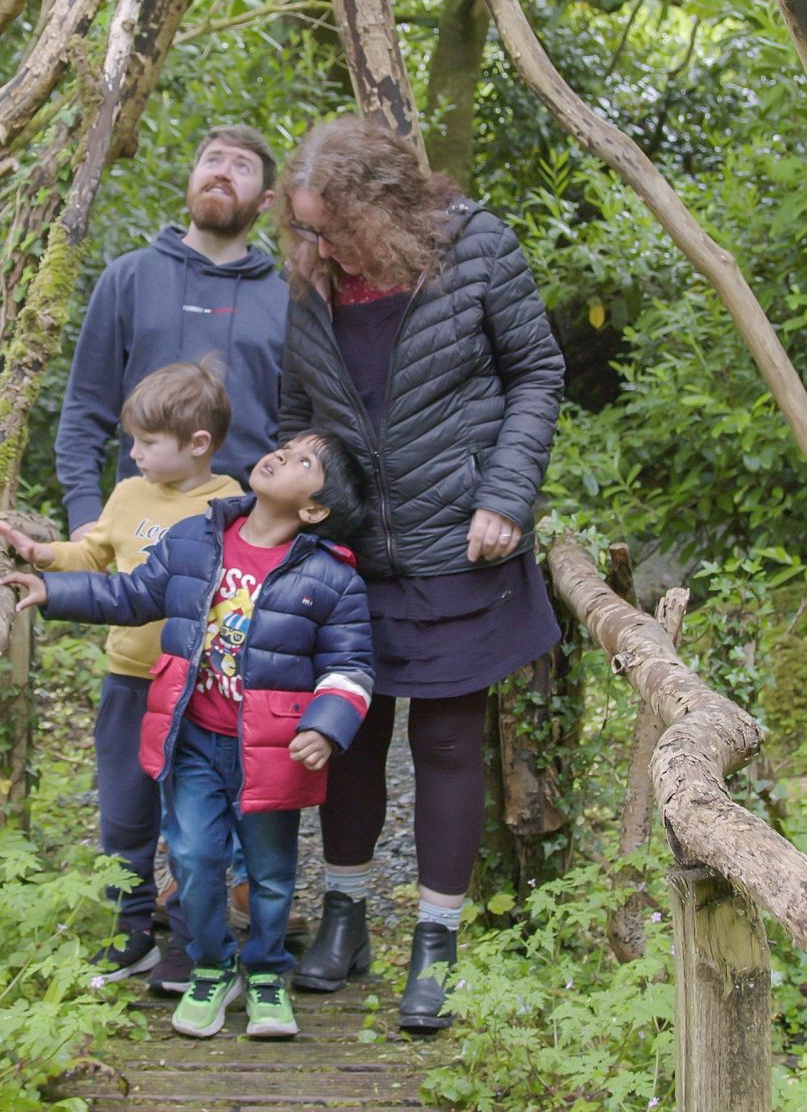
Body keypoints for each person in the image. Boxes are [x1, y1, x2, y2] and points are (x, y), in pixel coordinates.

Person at [273, 115, 565, 1034]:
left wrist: (507, 497)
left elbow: (537, 374)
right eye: (306, 228)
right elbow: (295, 408)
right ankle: (346, 917)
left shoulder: (476, 246)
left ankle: (436, 944)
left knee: (444, 743)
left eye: (331, 226)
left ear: (383, 204)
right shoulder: (313, 278)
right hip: (352, 554)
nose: (318, 245)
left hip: (459, 539)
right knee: (349, 738)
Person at [5, 433, 375, 1041]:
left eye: (304, 462)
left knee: (270, 872)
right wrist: (55, 589)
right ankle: (211, 964)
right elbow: (132, 594)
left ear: (314, 509)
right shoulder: (196, 540)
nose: (282, 456)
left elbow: (351, 666)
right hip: (195, 739)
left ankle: (265, 971)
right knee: (195, 859)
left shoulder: (331, 579)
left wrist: (327, 725)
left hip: (271, 751)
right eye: (285, 448)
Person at [0, 361, 240, 979]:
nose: (133, 454)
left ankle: (191, 940)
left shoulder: (231, 504)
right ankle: (131, 929)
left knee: (194, 821)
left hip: (198, 690)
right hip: (129, 679)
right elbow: (96, 553)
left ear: (197, 444)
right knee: (125, 811)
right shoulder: (129, 493)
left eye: (147, 444)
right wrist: (44, 556)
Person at [55, 127, 287, 536]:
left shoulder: (286, 301)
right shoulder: (130, 278)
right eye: (212, 160)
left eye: (242, 166)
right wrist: (85, 519)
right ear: (192, 177)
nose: (223, 173)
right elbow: (85, 410)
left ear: (266, 200)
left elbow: (299, 429)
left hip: (248, 532)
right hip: (136, 526)